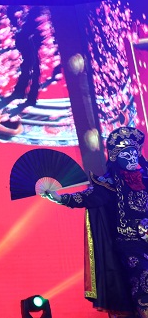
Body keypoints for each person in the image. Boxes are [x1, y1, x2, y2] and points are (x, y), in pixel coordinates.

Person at [44, 126, 148, 318]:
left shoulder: (146, 179)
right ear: (116, 158)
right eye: (126, 155)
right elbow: (88, 197)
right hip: (130, 245)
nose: (132, 158)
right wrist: (61, 198)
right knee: (144, 281)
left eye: (134, 154)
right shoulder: (109, 184)